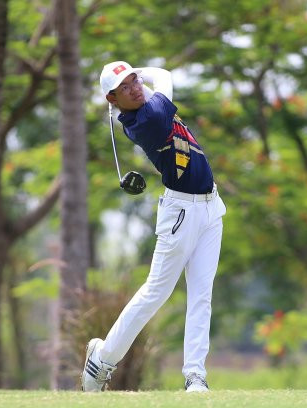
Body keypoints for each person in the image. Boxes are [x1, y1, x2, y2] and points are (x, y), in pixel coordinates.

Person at [81, 61, 226, 393]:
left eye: (135, 81)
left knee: (202, 295)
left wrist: (132, 74)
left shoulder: (144, 105)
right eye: (125, 87)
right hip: (181, 213)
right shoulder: (147, 119)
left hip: (211, 207)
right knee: (155, 292)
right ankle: (102, 359)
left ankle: (195, 376)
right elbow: (165, 77)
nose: (134, 87)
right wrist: (142, 70)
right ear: (112, 99)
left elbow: (152, 84)